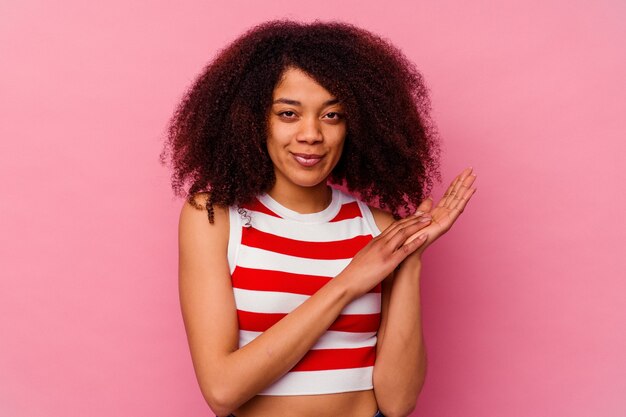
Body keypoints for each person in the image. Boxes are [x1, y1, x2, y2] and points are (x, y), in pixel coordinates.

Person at [160, 19, 477, 417]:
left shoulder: (379, 229)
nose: (311, 134)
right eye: (289, 113)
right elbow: (222, 391)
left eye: (332, 115)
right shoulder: (215, 218)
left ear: (355, 125)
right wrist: (347, 283)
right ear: (254, 120)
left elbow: (398, 403)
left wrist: (410, 257)